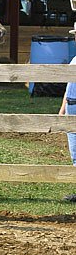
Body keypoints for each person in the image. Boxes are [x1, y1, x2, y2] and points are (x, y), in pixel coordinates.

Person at [58, 50, 76, 202]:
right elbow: (68, 86)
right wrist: (63, 108)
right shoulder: (75, 59)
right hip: (72, 105)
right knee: (75, 152)